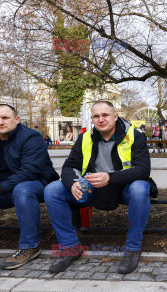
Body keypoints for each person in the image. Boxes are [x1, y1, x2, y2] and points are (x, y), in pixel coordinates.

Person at [44, 101, 156, 274]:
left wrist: (110, 178)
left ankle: (133, 248)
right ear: (92, 119)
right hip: (93, 188)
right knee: (53, 190)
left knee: (140, 188)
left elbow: (143, 170)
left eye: (105, 115)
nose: (101, 120)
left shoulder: (134, 135)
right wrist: (73, 182)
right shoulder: (85, 137)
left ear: (115, 116)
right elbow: (69, 166)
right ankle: (70, 248)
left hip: (125, 188)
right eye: (96, 116)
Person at [0, 104, 59, 269]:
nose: (1, 122)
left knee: (23, 189)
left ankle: (29, 246)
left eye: (5, 118)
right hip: (6, 188)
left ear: (16, 120)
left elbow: (29, 172)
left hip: (38, 185)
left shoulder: (31, 137)